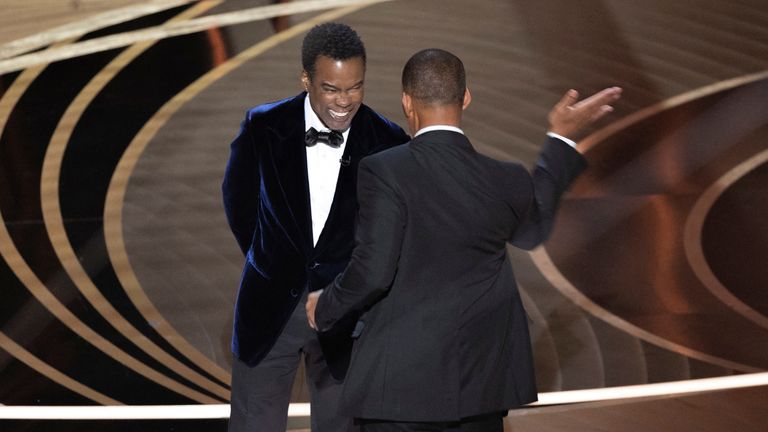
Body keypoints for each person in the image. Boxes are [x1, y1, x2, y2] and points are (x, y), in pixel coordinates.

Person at [306, 48, 621, 431]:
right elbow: (533, 228)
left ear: (407, 102)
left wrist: (325, 306)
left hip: (402, 391)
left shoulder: (384, 171)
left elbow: (373, 270)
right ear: (466, 97)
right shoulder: (504, 177)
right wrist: (559, 139)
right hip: (481, 387)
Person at [222, 22, 409, 432]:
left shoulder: (389, 141)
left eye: (354, 87)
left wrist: (349, 290)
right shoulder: (262, 126)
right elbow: (239, 205)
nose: (345, 101)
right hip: (270, 310)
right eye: (331, 88)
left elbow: (390, 235)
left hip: (348, 320)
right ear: (306, 79)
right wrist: (273, 263)